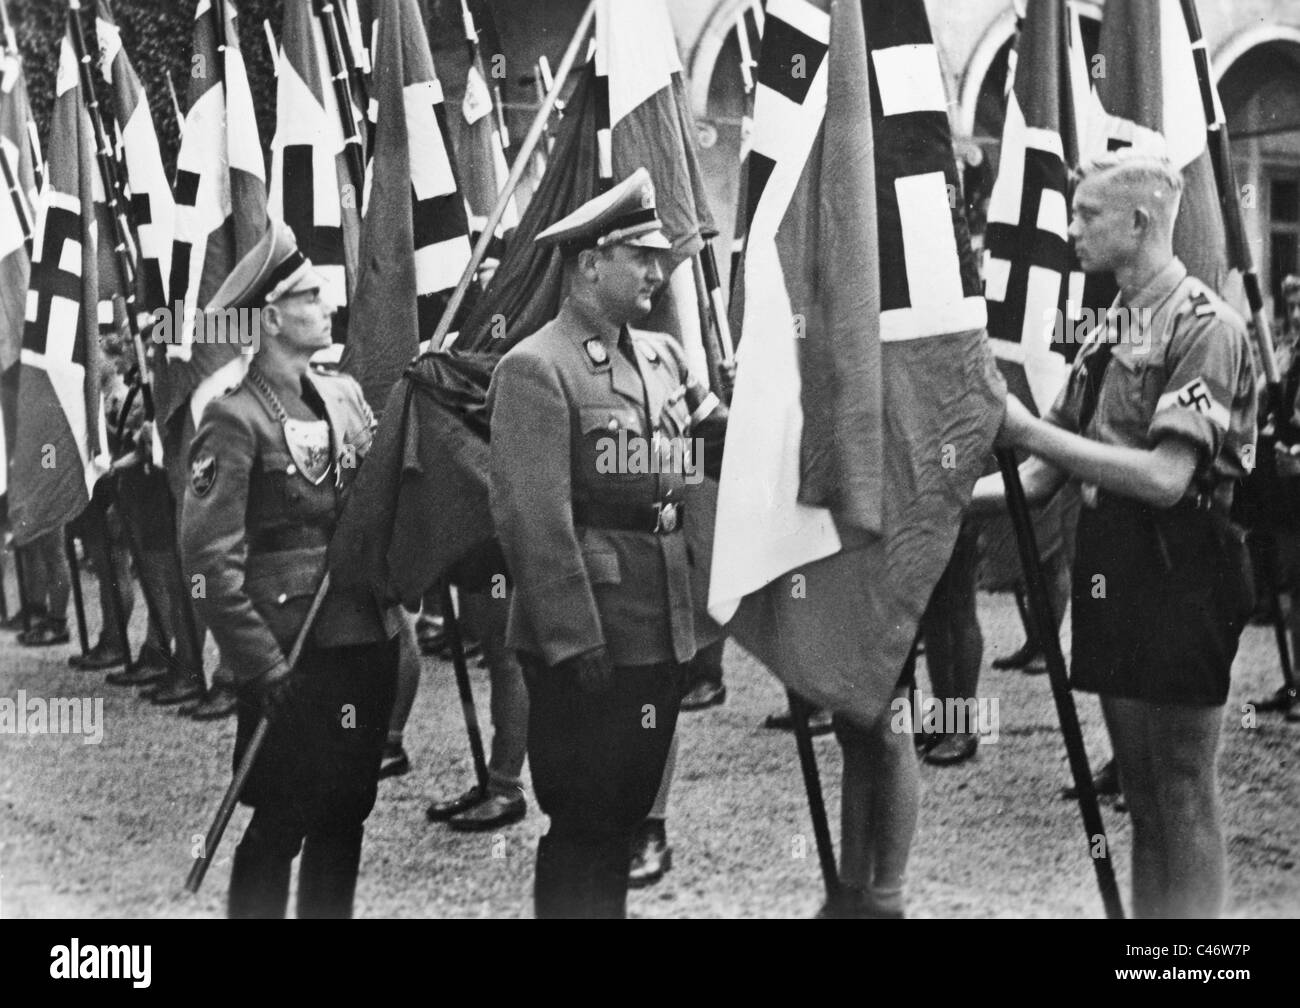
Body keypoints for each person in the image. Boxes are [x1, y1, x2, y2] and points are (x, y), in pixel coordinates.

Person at [976, 149, 1257, 917]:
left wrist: (1029, 429)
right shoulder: (1109, 329)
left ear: (1139, 222)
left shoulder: (1207, 326)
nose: (1071, 229)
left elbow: (1167, 478)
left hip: (1182, 567)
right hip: (1116, 564)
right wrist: (927, 505)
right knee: (1138, 793)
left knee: (1182, 789)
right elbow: (1038, 481)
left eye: (1086, 215)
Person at [488, 168, 727, 918]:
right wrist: (570, 635)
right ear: (591, 263)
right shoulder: (537, 367)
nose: (659, 270)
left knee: (624, 819)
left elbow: (689, 465)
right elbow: (533, 516)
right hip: (591, 631)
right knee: (581, 823)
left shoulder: (663, 358)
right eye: (642, 255)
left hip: (657, 619)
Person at [181, 221, 402, 918]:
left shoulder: (342, 394)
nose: (328, 304)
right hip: (293, 649)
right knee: (282, 816)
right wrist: (259, 663)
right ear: (271, 317)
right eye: (311, 296)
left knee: (347, 809)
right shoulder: (232, 418)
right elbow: (208, 560)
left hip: (363, 632)